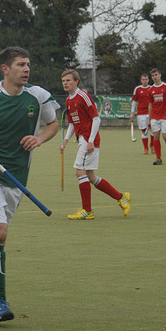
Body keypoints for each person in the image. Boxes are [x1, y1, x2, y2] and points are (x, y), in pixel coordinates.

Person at [0, 47, 59, 323]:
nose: (26, 69)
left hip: (17, 177)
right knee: (1, 233)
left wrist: (40, 138)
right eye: (20, 65)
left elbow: (53, 124)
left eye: (28, 64)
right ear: (5, 69)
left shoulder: (38, 96)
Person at [60, 69, 130, 221]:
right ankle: (121, 197)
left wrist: (90, 140)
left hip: (88, 139)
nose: (65, 83)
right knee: (90, 176)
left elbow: (96, 119)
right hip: (82, 139)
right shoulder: (68, 100)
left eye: (68, 80)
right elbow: (72, 123)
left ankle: (87, 211)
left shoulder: (83, 96)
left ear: (76, 81)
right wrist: (65, 140)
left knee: (80, 172)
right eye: (63, 81)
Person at [147, 68, 166, 165]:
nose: (154, 77)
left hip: (165, 116)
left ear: (160, 75)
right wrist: (149, 118)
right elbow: (150, 104)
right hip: (155, 117)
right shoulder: (150, 90)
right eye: (152, 76)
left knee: (165, 136)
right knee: (156, 136)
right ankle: (158, 158)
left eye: (156, 75)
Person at [130, 74, 153, 154]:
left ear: (148, 80)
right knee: (144, 131)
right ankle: (146, 148)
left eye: (146, 79)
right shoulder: (137, 89)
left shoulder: (151, 88)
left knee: (153, 130)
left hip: (151, 113)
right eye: (143, 79)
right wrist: (132, 113)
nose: (145, 81)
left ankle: (152, 145)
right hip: (141, 113)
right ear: (141, 80)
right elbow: (134, 101)